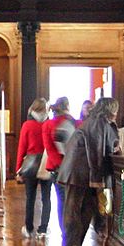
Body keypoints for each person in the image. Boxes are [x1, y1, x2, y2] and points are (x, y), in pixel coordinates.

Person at [57, 98, 119, 246]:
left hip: (80, 171)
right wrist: (97, 179)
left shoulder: (96, 121)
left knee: (86, 208)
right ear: (110, 110)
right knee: (74, 209)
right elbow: (96, 151)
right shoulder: (98, 123)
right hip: (79, 171)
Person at [15, 98, 50, 238]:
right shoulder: (49, 124)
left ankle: (29, 228)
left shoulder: (27, 125)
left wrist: (18, 169)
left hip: (30, 163)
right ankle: (43, 229)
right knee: (46, 198)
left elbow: (21, 148)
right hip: (47, 163)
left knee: (30, 198)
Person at [41, 97, 75, 230]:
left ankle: (64, 231)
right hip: (70, 166)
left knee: (62, 200)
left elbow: (49, 149)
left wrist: (59, 165)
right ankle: (69, 232)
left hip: (57, 167)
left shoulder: (48, 124)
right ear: (67, 106)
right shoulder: (71, 122)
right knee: (71, 201)